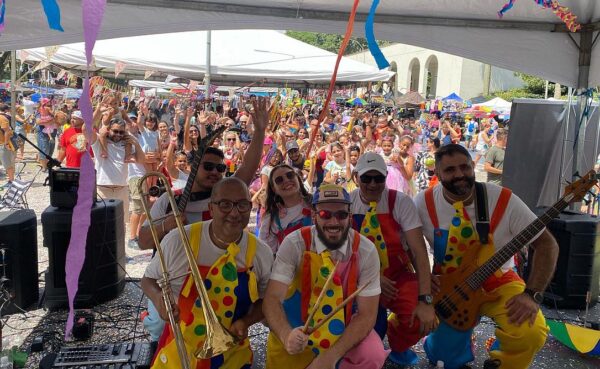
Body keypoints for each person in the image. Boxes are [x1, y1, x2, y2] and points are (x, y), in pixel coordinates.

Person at [414, 144, 558, 369]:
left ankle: (502, 357)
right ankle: (449, 344)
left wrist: (532, 294)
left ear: (473, 167)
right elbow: (406, 245)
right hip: (449, 286)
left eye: (465, 167)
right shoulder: (423, 202)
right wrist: (420, 282)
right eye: (450, 170)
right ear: (438, 174)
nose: (459, 174)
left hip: (498, 282)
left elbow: (547, 244)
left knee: (530, 332)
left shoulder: (503, 199)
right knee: (444, 358)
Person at [141, 177, 274, 368]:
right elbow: (148, 280)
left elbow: (268, 299)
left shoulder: (261, 252)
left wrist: (246, 321)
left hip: (232, 355)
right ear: (211, 209)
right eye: (225, 205)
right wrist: (158, 298)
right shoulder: (178, 240)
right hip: (180, 352)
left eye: (242, 205)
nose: (235, 213)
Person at [263, 184, 388, 369]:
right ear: (314, 216)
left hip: (343, 327)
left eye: (341, 215)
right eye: (325, 215)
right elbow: (272, 298)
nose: (333, 222)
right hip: (298, 326)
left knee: (372, 355)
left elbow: (367, 315)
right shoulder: (294, 243)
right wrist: (286, 334)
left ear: (350, 217)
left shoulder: (366, 250)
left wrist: (330, 357)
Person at [138, 97, 268, 250]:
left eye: (219, 169)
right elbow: (143, 243)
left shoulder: (226, 196)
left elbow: (247, 167)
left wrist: (260, 131)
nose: (214, 171)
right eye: (207, 166)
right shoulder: (169, 200)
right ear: (193, 167)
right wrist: (166, 226)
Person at [349, 152, 437, 366]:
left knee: (425, 317)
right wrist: (370, 279)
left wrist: (425, 298)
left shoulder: (400, 202)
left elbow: (418, 251)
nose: (372, 184)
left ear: (386, 177)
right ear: (355, 177)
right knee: (365, 333)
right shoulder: (346, 203)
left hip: (397, 276)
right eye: (366, 178)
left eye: (378, 178)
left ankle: (398, 344)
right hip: (357, 280)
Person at [90, 118, 146, 221]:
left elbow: (142, 160)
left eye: (121, 132)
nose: (118, 134)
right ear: (109, 129)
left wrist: (136, 144)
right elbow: (86, 127)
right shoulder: (99, 142)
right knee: (100, 224)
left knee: (120, 225)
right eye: (115, 131)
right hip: (102, 190)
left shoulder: (127, 146)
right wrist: (98, 109)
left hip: (122, 190)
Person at [259, 164, 313, 254]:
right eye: (279, 180)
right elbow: (268, 254)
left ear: (297, 178)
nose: (287, 180)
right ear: (274, 189)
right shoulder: (271, 219)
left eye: (290, 175)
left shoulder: (316, 203)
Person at [0, 113, 15, 186]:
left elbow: (7, 131)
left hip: (3, 144)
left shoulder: (2, 118)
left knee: (7, 164)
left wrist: (6, 144)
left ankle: (11, 181)